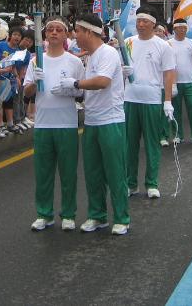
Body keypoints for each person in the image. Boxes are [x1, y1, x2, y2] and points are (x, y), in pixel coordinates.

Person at [71, 14, 131, 235]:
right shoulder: (91, 55)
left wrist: (76, 83)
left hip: (111, 121)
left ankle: (122, 218)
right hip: (92, 120)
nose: (75, 35)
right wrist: (75, 89)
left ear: (88, 32)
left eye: (77, 30)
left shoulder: (108, 53)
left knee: (115, 171)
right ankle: (98, 216)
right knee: (93, 171)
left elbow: (103, 82)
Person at [24, 17, 84, 231]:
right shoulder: (35, 61)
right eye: (50, 30)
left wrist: (72, 89)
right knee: (43, 172)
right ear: (45, 34)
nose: (54, 33)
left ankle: (68, 214)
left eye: (59, 30)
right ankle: (44, 214)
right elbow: (27, 92)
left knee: (68, 172)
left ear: (66, 34)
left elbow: (81, 91)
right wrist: (33, 82)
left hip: (66, 124)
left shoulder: (74, 62)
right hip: (43, 124)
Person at [124, 5, 177, 198]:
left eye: (144, 20)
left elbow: (169, 74)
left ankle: (152, 183)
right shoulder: (127, 43)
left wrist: (168, 101)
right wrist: (123, 71)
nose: (140, 24)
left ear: (153, 24)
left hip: (152, 100)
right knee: (129, 144)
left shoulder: (163, 46)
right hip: (129, 99)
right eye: (138, 20)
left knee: (152, 143)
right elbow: (120, 67)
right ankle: (131, 183)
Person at [167, 19, 192, 144]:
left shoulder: (191, 43)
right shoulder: (169, 43)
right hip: (174, 82)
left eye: (184, 28)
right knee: (176, 110)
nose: (182, 30)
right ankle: (178, 135)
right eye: (180, 28)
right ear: (174, 29)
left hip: (190, 81)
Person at [0, 26, 23, 136]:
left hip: (9, 80)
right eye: (15, 34)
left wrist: (17, 77)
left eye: (19, 35)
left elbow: (13, 66)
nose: (17, 37)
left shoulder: (18, 51)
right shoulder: (1, 45)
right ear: (10, 35)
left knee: (9, 101)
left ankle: (10, 124)